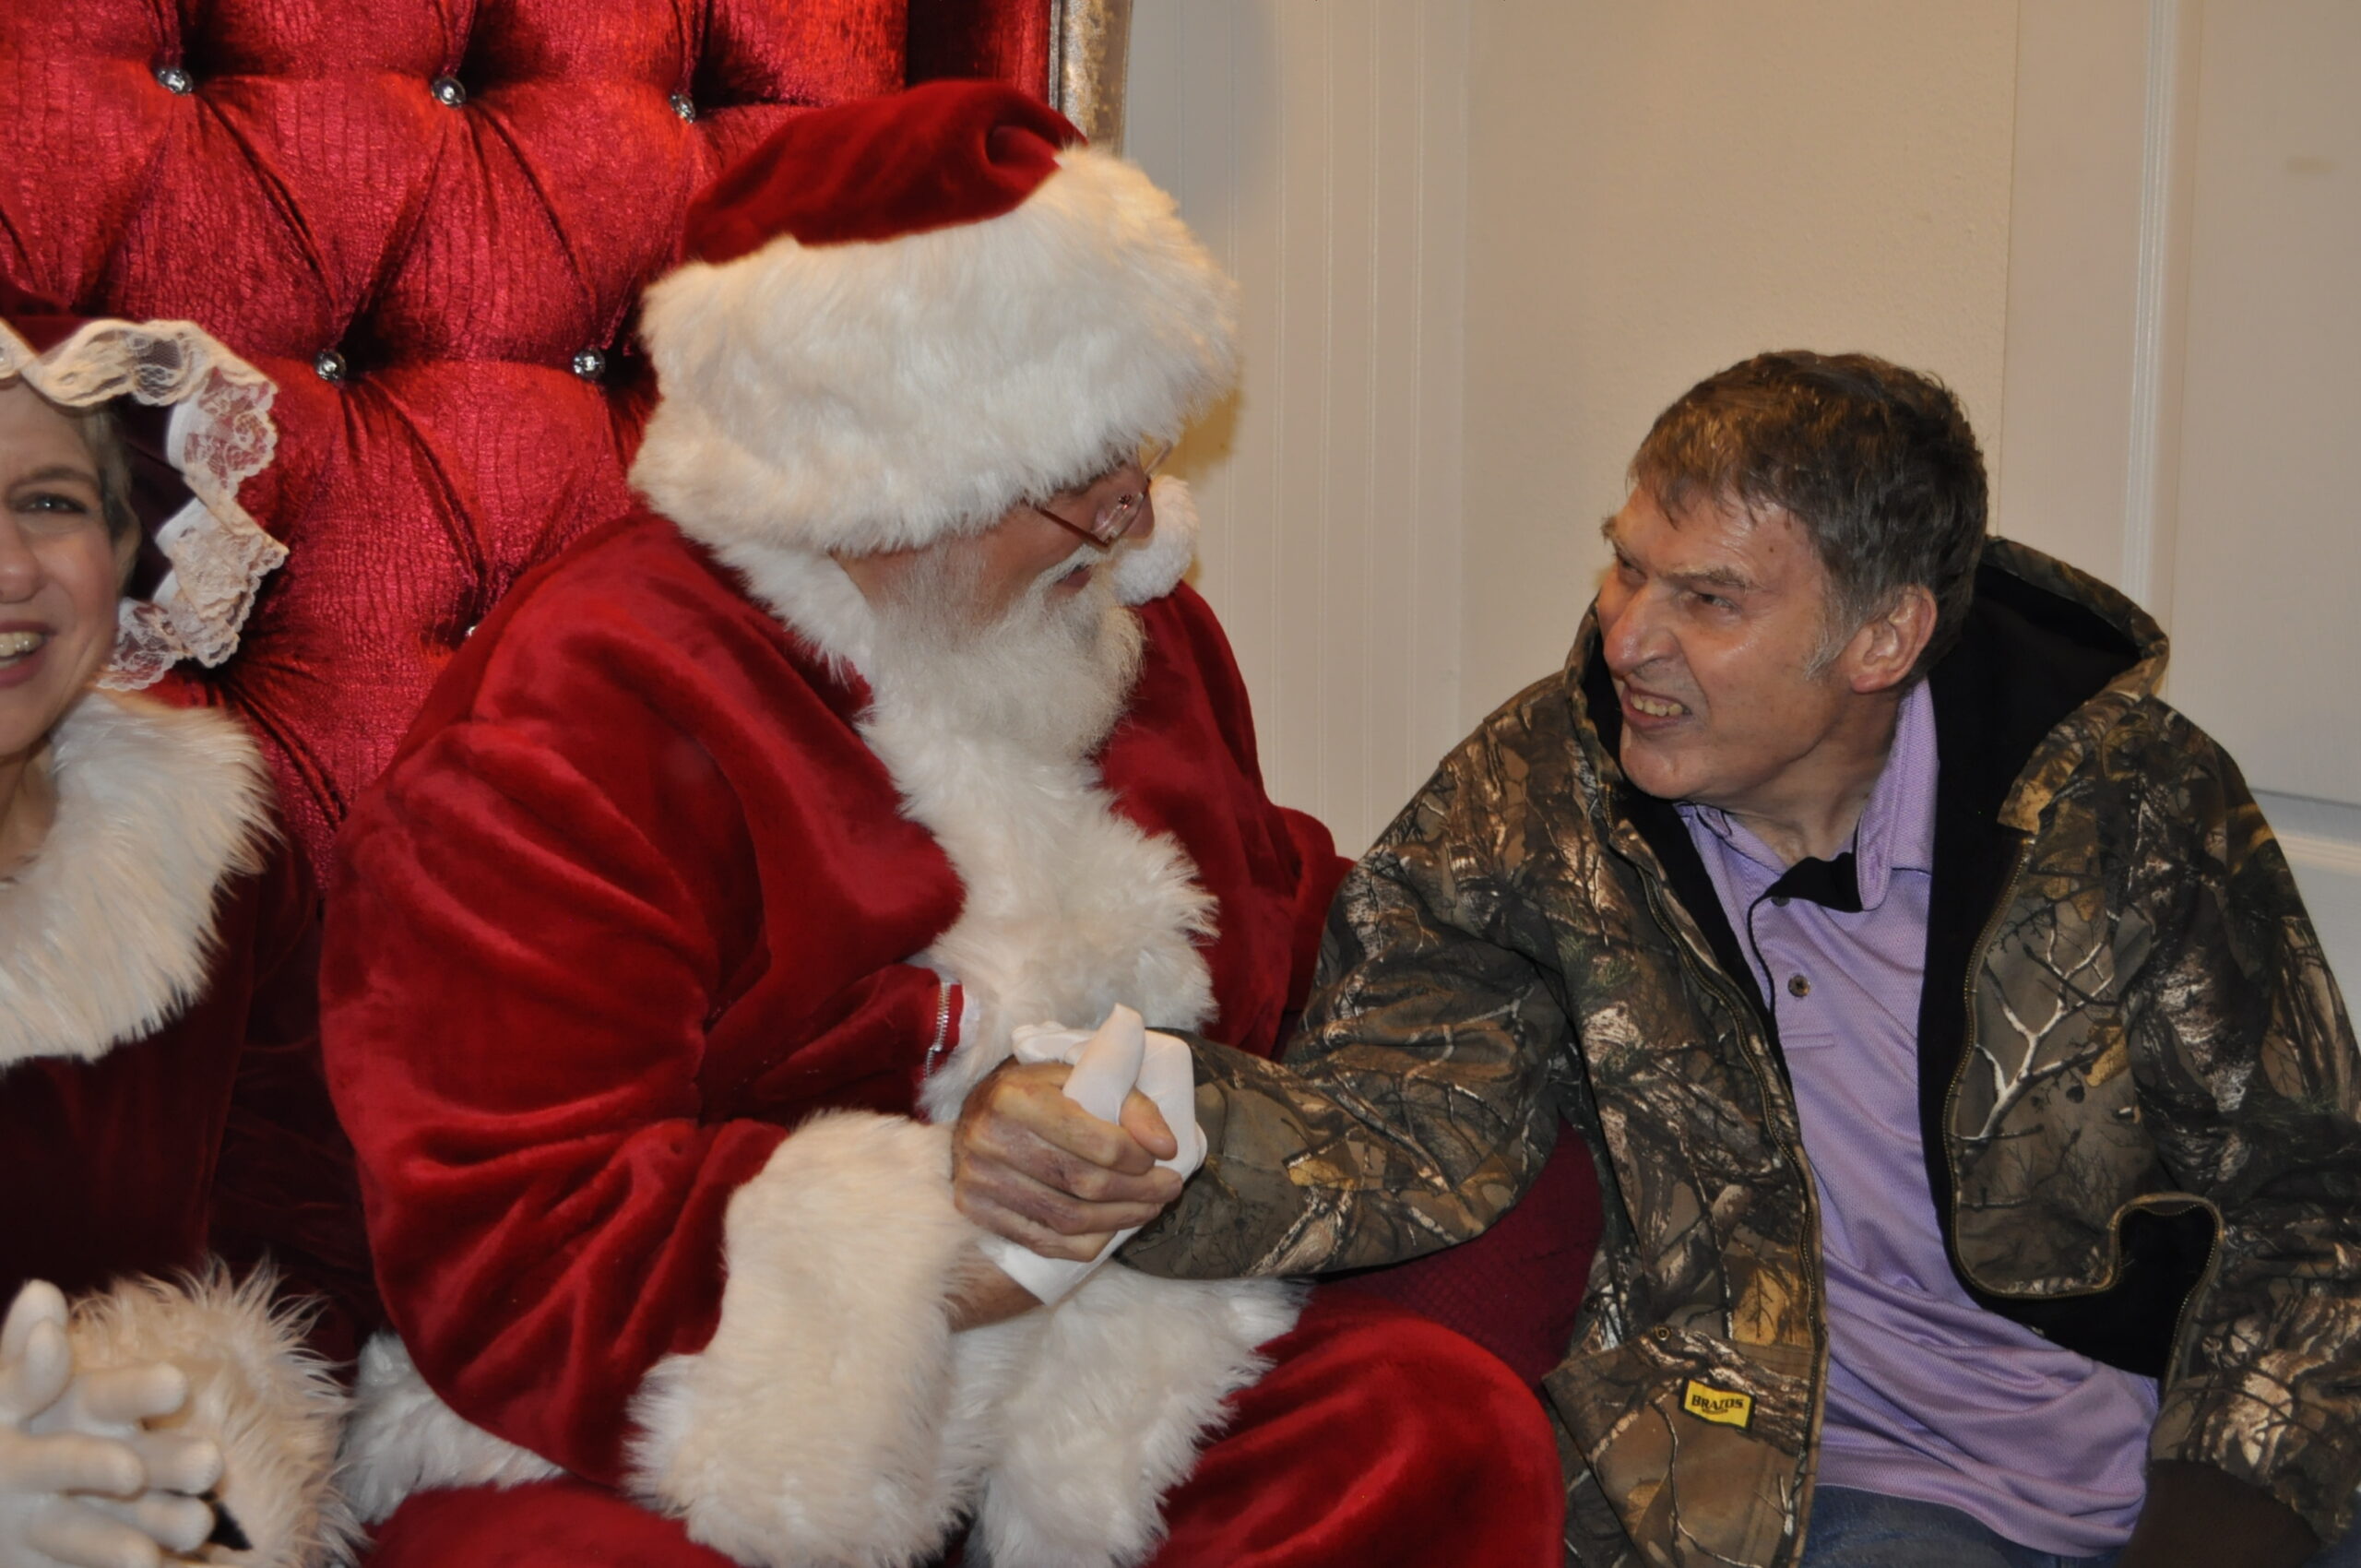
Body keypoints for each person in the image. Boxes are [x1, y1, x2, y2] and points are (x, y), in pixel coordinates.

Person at [318, 80, 1561, 1568]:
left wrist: (1531, 936)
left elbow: (1287, 929)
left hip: (1115, 1370)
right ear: (896, 475)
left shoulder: (1132, 642)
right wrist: (956, 1219)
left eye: (1141, 453)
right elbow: (515, 1226)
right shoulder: (597, 702)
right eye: (1075, 478)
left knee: (1430, 1431)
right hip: (695, 1402)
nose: (1131, 520)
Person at [955, 351, 2361, 1567]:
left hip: (2192, 1461)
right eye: (1628, 566)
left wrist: (2221, 1520)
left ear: (1884, 636)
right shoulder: (1539, 797)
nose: (1629, 637)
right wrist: (1150, 1128)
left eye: (1711, 599)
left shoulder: (2126, 803)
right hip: (1834, 1482)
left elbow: (2306, 1192)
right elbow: (1398, 1115)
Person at [0, 288, 374, 1568]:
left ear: (126, 545)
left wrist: (164, 1472)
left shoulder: (220, 858)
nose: (9, 567)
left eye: (51, 502)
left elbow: (312, 1256)